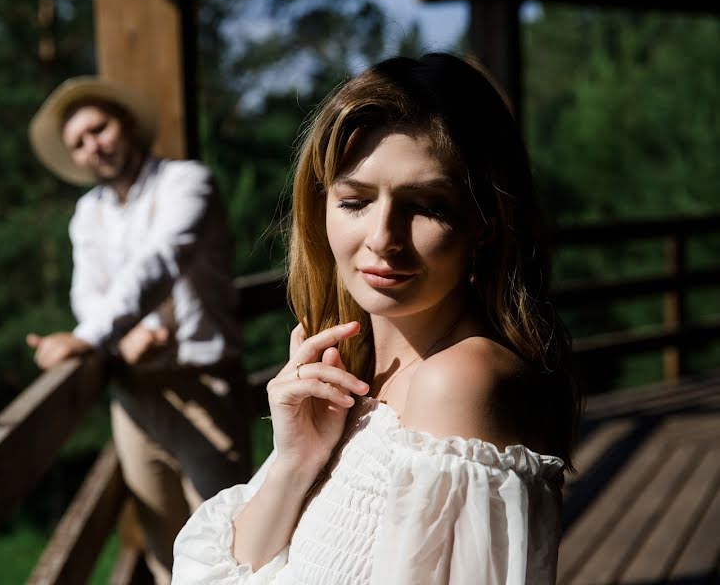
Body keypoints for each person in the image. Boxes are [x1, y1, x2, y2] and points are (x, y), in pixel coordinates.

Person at [173, 53, 580, 584]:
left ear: (485, 221)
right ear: (321, 207)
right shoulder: (354, 373)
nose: (383, 239)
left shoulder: (457, 384)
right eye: (355, 200)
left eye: (428, 205)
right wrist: (295, 462)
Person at [25, 77, 251, 584]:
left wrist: (87, 339)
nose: (92, 147)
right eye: (78, 143)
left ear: (125, 124)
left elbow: (161, 260)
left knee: (230, 543)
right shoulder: (89, 213)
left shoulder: (186, 182)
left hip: (203, 385)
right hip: (132, 398)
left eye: (98, 129)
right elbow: (87, 292)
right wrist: (118, 333)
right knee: (163, 544)